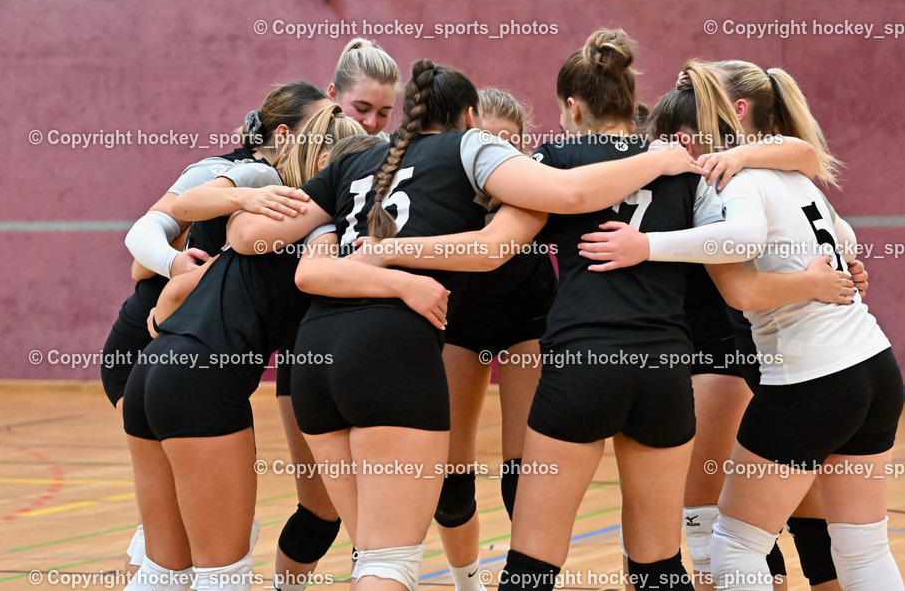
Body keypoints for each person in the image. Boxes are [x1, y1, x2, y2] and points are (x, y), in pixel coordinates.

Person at [343, 31, 855, 591]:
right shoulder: (684, 165)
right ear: (628, 96)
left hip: (582, 365)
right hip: (664, 370)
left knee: (532, 563)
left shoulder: (551, 163)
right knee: (660, 566)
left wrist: (391, 249)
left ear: (571, 106)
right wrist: (825, 268)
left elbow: (491, 249)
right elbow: (745, 237)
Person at [226, 55, 707, 591]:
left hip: (321, 351)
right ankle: (465, 577)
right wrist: (663, 158)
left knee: (377, 552)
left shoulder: (357, 161)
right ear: (472, 117)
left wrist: (250, 196)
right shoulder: (480, 154)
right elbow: (530, 220)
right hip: (405, 349)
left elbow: (258, 245)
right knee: (393, 560)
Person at [576, 60, 904, 591]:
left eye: (668, 143)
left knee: (736, 544)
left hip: (811, 375)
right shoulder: (793, 172)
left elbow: (745, 245)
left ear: (690, 136)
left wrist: (645, 246)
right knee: (863, 548)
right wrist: (834, 274)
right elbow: (843, 240)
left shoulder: (733, 179)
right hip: (873, 364)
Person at [121, 109, 364, 591]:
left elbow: (171, 300)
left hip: (151, 375)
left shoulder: (263, 206)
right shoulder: (309, 218)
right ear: (325, 159)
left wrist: (173, 322)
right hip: (201, 386)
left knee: (164, 571)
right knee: (223, 577)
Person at [432, 87, 556, 591]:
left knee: (522, 472)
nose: (497, 157)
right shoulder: (445, 190)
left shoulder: (532, 190)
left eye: (509, 145)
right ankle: (467, 582)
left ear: (523, 150)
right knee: (451, 482)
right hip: (460, 322)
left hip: (527, 318)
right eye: (487, 143)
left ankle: (523, 579)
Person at [328, 38, 402, 138]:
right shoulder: (305, 142)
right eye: (362, 109)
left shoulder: (394, 150)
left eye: (383, 113)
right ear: (334, 94)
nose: (371, 123)